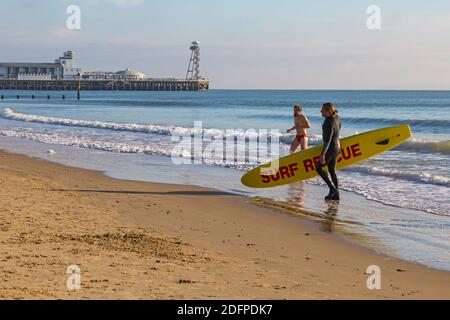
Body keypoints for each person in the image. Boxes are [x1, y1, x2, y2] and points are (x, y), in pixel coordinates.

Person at [316, 102, 341, 201]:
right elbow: (338, 129)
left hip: (330, 148)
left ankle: (333, 189)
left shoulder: (328, 122)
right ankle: (336, 194)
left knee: (318, 168)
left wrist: (322, 154)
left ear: (328, 111)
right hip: (337, 147)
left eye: (322, 110)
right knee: (331, 170)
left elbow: (327, 140)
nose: (320, 111)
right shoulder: (337, 118)